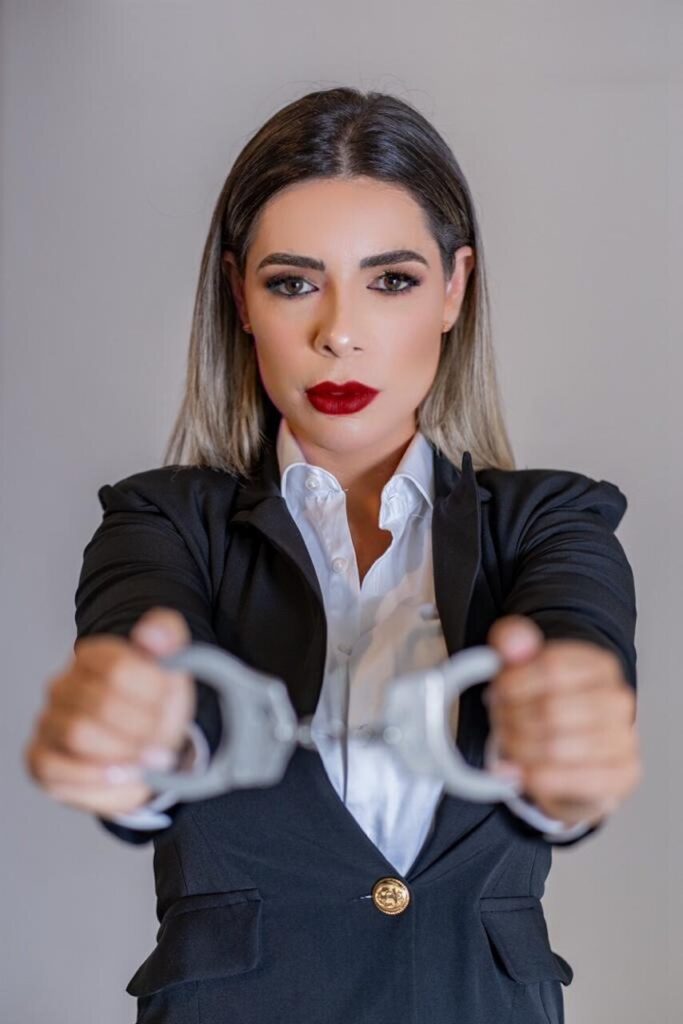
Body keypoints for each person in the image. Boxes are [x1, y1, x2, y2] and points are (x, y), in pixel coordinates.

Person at [24, 86, 641, 1024]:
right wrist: (140, 736)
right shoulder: (158, 521)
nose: (337, 333)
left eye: (389, 281)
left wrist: (571, 733)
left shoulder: (555, 519)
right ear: (240, 296)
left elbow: (577, 642)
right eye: (293, 283)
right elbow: (155, 672)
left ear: (453, 288)